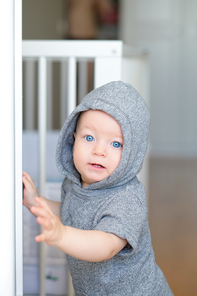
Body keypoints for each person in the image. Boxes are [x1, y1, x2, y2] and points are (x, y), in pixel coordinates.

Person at [23, 81, 174, 296]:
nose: (99, 150)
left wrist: (61, 235)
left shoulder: (126, 199)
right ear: (73, 138)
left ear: (133, 154)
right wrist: (35, 201)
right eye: (89, 138)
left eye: (115, 144)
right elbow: (69, 211)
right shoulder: (74, 183)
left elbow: (106, 245)